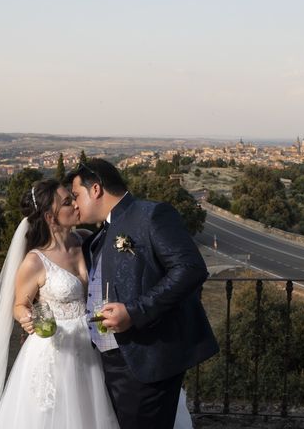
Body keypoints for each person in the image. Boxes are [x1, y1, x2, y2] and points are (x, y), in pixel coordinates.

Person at [0, 178, 194, 429]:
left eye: (73, 197)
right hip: (58, 349)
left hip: (97, 343)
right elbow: (19, 305)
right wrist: (26, 317)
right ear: (49, 217)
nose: (76, 204)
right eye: (68, 202)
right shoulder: (34, 262)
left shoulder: (87, 239)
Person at [66, 159, 219, 429]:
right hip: (113, 359)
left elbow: (190, 268)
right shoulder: (100, 234)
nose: (75, 204)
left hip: (147, 358)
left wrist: (134, 312)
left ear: (97, 189)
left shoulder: (152, 214)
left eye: (77, 195)